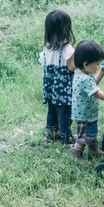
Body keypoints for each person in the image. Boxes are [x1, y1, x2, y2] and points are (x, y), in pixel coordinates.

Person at [69, 40, 104, 162]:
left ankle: (93, 149)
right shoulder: (83, 79)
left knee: (91, 133)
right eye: (97, 64)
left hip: (88, 113)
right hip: (84, 115)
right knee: (82, 137)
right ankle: (76, 152)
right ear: (86, 64)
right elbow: (97, 92)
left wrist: (101, 72)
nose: (98, 66)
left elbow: (93, 85)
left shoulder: (83, 73)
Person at [39, 10, 76, 144]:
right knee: (65, 111)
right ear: (65, 29)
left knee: (52, 109)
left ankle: (52, 132)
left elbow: (44, 64)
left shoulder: (46, 48)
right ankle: (65, 135)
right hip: (63, 88)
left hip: (50, 86)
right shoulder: (67, 49)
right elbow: (71, 67)